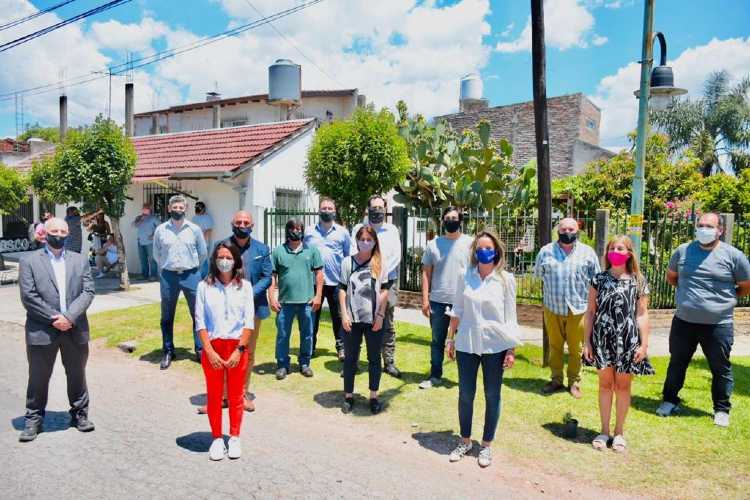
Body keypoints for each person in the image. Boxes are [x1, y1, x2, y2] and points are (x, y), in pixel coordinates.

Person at [657, 213, 750, 427]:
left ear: (720, 230)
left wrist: (723, 300)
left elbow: (745, 286)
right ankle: (669, 400)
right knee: (677, 363)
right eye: (700, 225)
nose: (703, 229)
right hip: (684, 322)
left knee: (720, 368)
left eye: (709, 226)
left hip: (719, 325)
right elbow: (671, 277)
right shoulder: (682, 251)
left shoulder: (734, 256)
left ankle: (721, 409)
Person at [18, 217, 96, 442]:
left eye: (63, 231)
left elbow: (88, 291)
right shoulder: (29, 261)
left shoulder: (79, 260)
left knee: (77, 374)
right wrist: (55, 319)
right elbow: (28, 296)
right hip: (42, 329)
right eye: (55, 231)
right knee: (38, 377)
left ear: (68, 233)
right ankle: (33, 419)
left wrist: (69, 317)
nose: (59, 235)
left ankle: (80, 415)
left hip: (74, 327)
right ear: (44, 233)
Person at [445, 231, 519, 468]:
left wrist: (511, 349)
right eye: (479, 248)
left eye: (488, 248)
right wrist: (450, 339)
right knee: (466, 394)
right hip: (466, 343)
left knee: (492, 395)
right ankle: (465, 441)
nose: (484, 252)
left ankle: (486, 445)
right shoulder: (465, 275)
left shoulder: (506, 279)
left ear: (496, 251)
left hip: (495, 345)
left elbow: (511, 317)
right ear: (474, 252)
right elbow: (457, 309)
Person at [583, 235, 653, 452]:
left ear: (629, 253)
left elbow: (642, 313)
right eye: (612, 248)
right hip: (602, 340)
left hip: (628, 340)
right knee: (605, 385)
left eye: (620, 248)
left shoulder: (638, 281)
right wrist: (587, 342)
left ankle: (619, 432)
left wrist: (644, 345)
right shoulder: (598, 279)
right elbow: (590, 312)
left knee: (623, 386)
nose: (615, 251)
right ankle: (604, 431)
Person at [197, 210, 272, 414]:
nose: (242, 225)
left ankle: (241, 394)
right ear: (232, 224)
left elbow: (267, 277)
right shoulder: (221, 246)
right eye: (238, 222)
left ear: (252, 226)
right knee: (221, 350)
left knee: (246, 352)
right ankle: (220, 397)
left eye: (246, 222)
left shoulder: (262, 249)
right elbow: (208, 273)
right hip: (223, 308)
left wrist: (247, 295)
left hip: (252, 308)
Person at [194, 241, 253, 461]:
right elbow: (200, 323)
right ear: (214, 260)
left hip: (237, 347)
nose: (225, 261)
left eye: (229, 257)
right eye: (221, 257)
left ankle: (234, 437)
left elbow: (249, 323)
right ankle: (217, 438)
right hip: (213, 347)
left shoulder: (245, 287)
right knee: (215, 395)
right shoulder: (204, 287)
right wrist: (209, 351)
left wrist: (239, 350)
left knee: (236, 395)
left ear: (236, 261)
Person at [534, 217, 600, 398]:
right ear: (558, 231)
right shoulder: (545, 252)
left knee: (575, 348)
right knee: (554, 346)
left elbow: (596, 280)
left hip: (578, 309)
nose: (567, 233)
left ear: (577, 231)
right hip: (552, 307)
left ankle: (574, 382)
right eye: (563, 230)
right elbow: (538, 274)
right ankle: (556, 380)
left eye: (571, 229)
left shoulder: (588, 253)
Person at [339, 225, 392, 414]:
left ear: (375, 241)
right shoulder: (347, 262)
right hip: (352, 319)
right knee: (350, 358)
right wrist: (344, 314)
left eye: (369, 240)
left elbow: (385, 290)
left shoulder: (380, 263)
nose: (366, 243)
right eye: (362, 239)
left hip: (374, 320)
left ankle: (373, 396)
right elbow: (342, 289)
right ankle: (348, 396)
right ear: (357, 241)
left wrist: (380, 316)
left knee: (374, 359)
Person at [419, 207, 473, 389]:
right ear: (443, 221)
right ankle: (435, 376)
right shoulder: (433, 244)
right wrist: (425, 300)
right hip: (438, 301)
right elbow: (426, 273)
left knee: (465, 341)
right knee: (437, 340)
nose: (451, 221)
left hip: (463, 300)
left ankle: (465, 378)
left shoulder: (470, 244)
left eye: (454, 218)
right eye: (448, 218)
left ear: (460, 221)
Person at [153, 195, 208, 370]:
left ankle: (200, 349)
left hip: (191, 275)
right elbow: (156, 253)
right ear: (169, 209)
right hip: (168, 276)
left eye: (181, 208)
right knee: (167, 316)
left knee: (198, 314)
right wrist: (165, 267)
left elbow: (203, 253)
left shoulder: (194, 229)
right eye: (175, 207)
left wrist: (195, 269)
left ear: (186, 209)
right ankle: (168, 350)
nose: (178, 210)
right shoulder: (161, 230)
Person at [351, 195, 403, 378]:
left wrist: (381, 272)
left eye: (380, 208)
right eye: (374, 208)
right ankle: (353, 362)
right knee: (359, 320)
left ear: (385, 209)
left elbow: (396, 255)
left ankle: (388, 362)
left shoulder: (392, 230)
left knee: (387, 322)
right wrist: (370, 271)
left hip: (387, 281)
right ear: (368, 209)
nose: (377, 211)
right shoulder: (359, 228)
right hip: (363, 280)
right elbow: (354, 251)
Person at [269, 219, 323, 380]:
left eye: (299, 228)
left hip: (307, 302)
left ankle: (305, 363)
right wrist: (271, 297)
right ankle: (282, 364)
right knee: (283, 334)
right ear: (287, 231)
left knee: (307, 334)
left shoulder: (311, 251)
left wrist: (318, 296)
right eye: (292, 228)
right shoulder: (278, 251)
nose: (296, 231)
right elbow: (272, 276)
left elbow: (319, 275)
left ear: (303, 231)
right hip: (285, 303)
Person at [304, 197, 352, 360]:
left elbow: (347, 256)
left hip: (336, 282)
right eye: (324, 208)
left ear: (335, 211)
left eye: (330, 208)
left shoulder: (343, 232)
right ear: (319, 210)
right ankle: (310, 347)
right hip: (313, 282)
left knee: (339, 317)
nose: (327, 211)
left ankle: (341, 347)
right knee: (312, 317)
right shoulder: (309, 232)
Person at [133, 203, 160, 280]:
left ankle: (153, 275)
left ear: (150, 209)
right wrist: (141, 219)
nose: (144, 209)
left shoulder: (153, 218)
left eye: (146, 208)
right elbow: (134, 225)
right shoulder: (139, 217)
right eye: (143, 208)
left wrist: (153, 234)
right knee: (143, 259)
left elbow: (160, 227)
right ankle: (144, 275)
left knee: (152, 259)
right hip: (140, 242)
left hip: (150, 243)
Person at [193, 201, 215, 279]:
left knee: (204, 261)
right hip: (195, 244)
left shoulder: (207, 218)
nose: (197, 211)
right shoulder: (194, 217)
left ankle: (204, 277)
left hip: (204, 244)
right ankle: (197, 276)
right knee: (196, 261)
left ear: (203, 209)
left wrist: (203, 243)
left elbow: (208, 231)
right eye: (196, 209)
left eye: (199, 209)